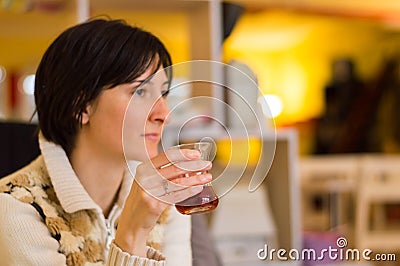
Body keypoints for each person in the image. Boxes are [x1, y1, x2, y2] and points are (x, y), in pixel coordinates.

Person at [0, 18, 217, 265]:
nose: (164, 114)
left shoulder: (164, 202)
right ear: (81, 106)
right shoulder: (17, 210)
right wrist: (132, 234)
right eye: (140, 92)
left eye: (163, 92)